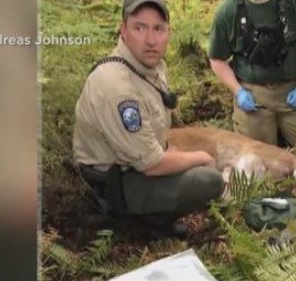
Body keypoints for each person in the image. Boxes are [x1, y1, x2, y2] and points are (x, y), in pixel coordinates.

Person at [72, 0, 224, 236]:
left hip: (134, 165)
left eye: (158, 29)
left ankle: (152, 215)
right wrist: (201, 157)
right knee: (208, 181)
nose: (151, 40)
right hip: (115, 185)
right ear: (123, 30)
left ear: (168, 32)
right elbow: (151, 165)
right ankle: (143, 223)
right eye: (140, 28)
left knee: (189, 164)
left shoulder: (150, 68)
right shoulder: (117, 86)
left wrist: (172, 152)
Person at [209, 0, 296, 146]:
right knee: (258, 153)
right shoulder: (229, 11)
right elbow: (216, 59)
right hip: (253, 95)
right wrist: (238, 92)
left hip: (289, 90)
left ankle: (283, 131)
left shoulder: (295, 4)